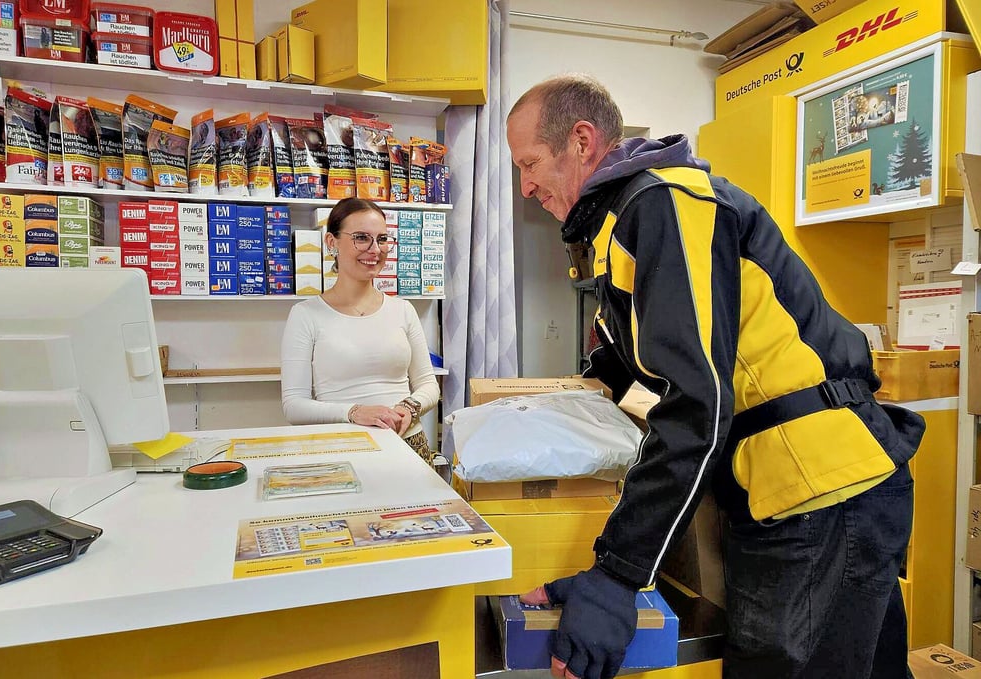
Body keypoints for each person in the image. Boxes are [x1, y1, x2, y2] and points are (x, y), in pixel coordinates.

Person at [506, 74, 925, 679]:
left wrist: (618, 574)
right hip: (819, 492)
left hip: (815, 492)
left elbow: (696, 401)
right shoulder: (622, 224)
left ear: (581, 139)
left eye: (530, 164)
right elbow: (633, 371)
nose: (526, 187)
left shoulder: (665, 203)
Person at [280, 197, 440, 464]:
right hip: (342, 448)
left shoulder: (403, 310)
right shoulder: (306, 315)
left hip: (409, 447)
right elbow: (294, 406)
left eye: (382, 239)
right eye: (361, 238)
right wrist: (355, 412)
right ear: (332, 243)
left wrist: (408, 407)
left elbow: (428, 385)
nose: (374, 249)